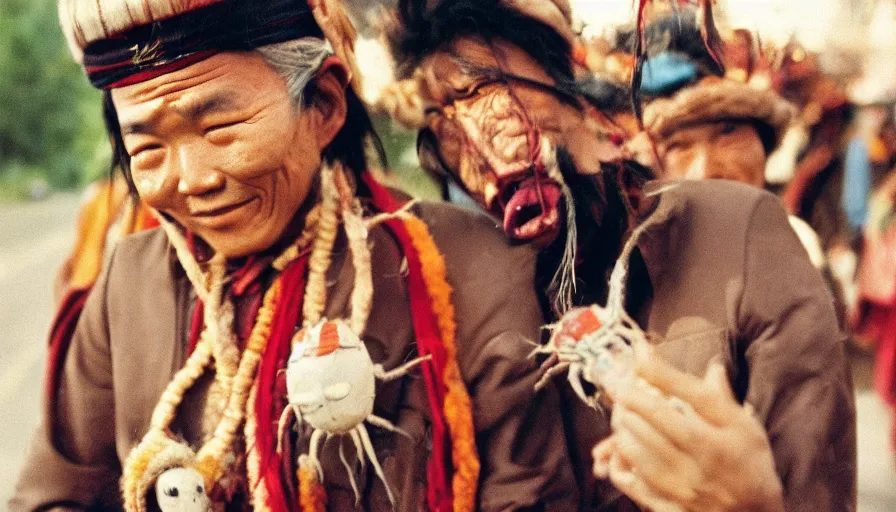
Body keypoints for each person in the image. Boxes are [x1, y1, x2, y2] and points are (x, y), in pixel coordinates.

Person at [10, 0, 577, 510]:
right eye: (148, 147)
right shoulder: (127, 284)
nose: (191, 179)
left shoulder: (469, 268)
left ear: (324, 106)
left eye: (222, 126)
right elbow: (59, 494)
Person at [386, 0, 856, 510]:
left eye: (479, 90)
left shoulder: (736, 230)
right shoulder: (469, 291)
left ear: (564, 72)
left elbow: (818, 486)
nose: (470, 142)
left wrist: (747, 502)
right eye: (439, 125)